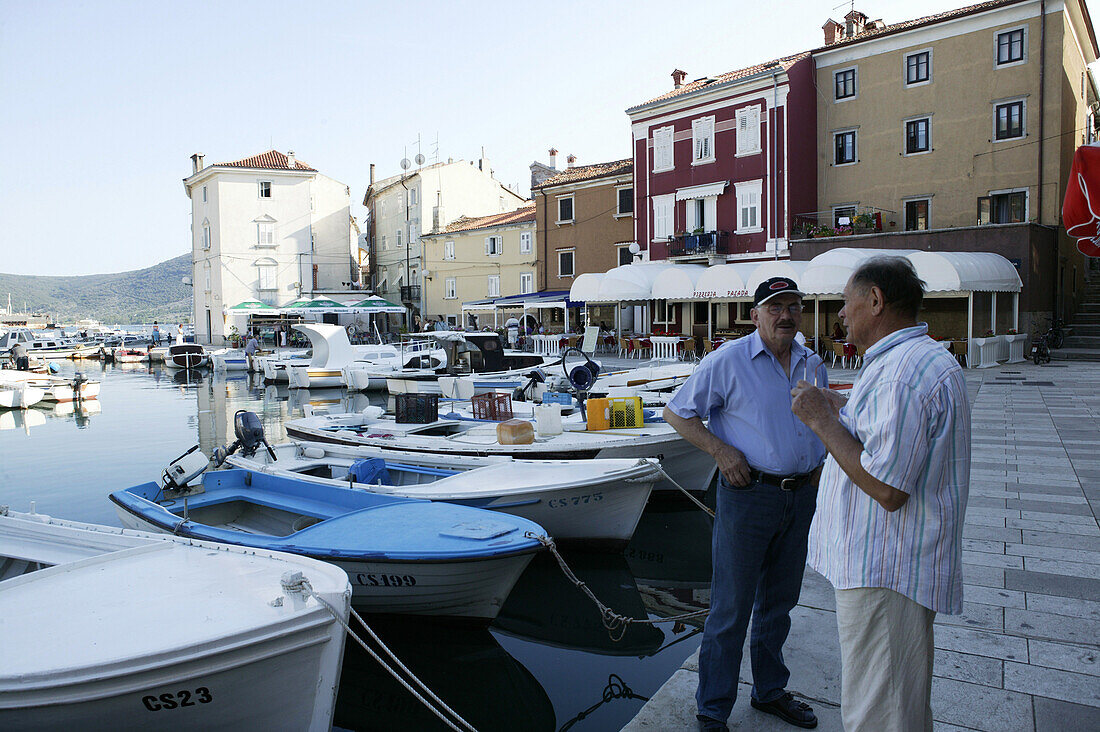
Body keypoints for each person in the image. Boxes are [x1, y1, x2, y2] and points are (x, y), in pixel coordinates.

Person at [790, 257, 970, 732]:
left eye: (847, 304)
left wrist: (821, 420)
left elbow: (888, 489)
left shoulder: (900, 374)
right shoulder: (912, 361)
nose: (840, 316)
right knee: (900, 704)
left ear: (876, 300)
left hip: (885, 570)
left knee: (879, 712)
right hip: (891, 568)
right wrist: (846, 408)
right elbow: (891, 437)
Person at [663, 276, 828, 731]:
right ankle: (713, 708)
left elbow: (822, 419)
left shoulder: (812, 363)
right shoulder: (728, 361)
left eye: (793, 306)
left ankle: (770, 691)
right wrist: (721, 450)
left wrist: (819, 459)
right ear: (754, 315)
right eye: (774, 307)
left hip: (799, 498)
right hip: (748, 495)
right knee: (731, 607)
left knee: (780, 602)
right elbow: (677, 412)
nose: (785, 315)